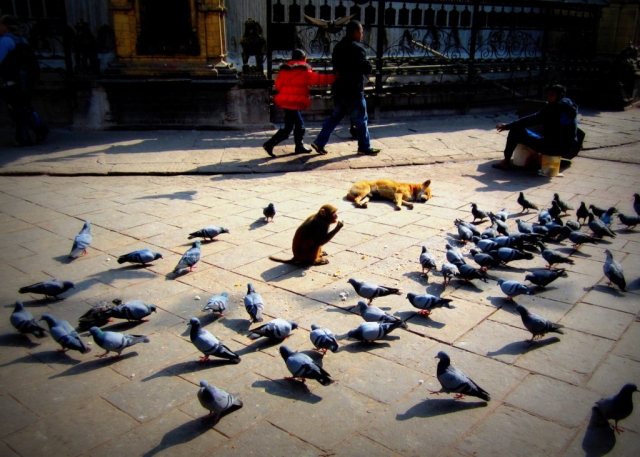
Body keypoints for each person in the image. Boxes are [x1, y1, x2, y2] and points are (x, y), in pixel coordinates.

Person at [310, 20, 380, 156]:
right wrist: (368, 65)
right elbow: (366, 67)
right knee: (361, 120)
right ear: (355, 32)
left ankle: (319, 141)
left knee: (334, 117)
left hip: (339, 89)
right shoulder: (357, 49)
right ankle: (364, 146)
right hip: (353, 90)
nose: (362, 35)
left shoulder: (338, 47)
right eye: (361, 32)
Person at [263, 49, 335, 157]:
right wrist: (335, 77)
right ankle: (270, 144)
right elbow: (319, 79)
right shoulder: (305, 70)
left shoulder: (284, 70)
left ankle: (298, 146)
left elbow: (278, 85)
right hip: (294, 102)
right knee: (295, 126)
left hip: (285, 101)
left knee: (294, 125)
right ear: (304, 58)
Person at [493, 84, 578, 170]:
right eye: (548, 95)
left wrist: (507, 126)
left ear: (560, 95)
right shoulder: (570, 106)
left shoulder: (555, 108)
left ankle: (506, 162)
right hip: (567, 148)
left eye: (551, 95)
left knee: (515, 130)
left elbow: (532, 119)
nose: (548, 98)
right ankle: (546, 158)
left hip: (553, 147)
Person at [0, 15, 48, 147]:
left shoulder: (5, 41)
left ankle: (26, 134)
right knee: (24, 106)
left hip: (11, 80)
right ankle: (36, 129)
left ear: (5, 26)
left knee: (15, 108)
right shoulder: (22, 40)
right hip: (25, 79)